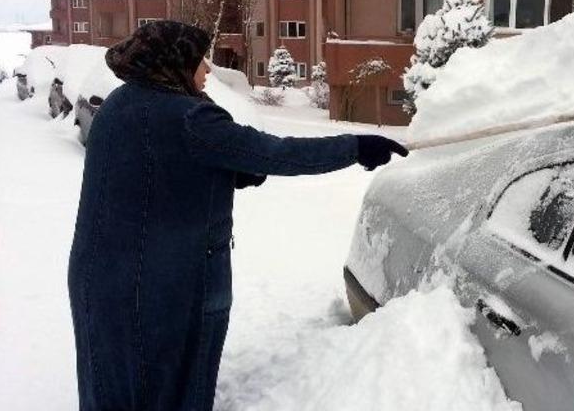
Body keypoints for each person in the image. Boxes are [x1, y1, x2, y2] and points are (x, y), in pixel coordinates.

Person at [67, 21, 408, 410]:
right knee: (172, 390)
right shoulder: (188, 118)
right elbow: (275, 153)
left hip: (98, 277)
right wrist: (356, 146)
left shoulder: (117, 104)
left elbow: (153, 171)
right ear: (176, 62)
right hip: (165, 286)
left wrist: (225, 168)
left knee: (111, 388)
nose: (208, 70)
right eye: (200, 60)